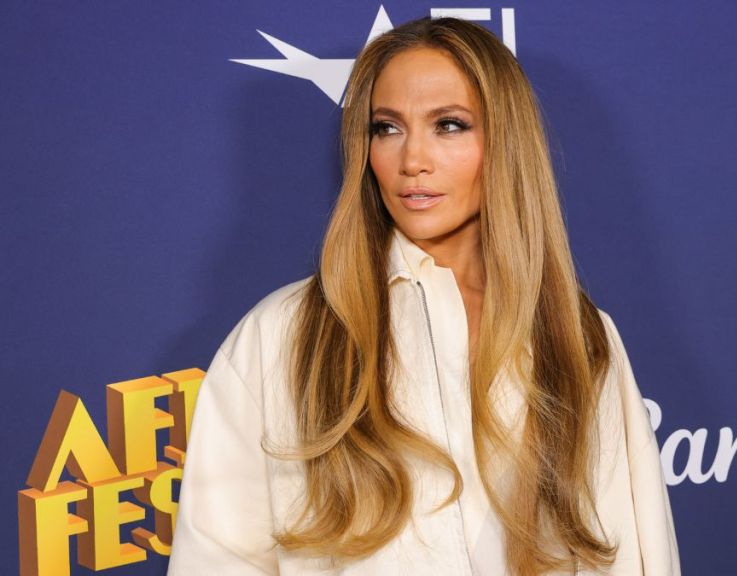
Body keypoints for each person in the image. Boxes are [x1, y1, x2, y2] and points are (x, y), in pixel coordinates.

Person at [168, 16, 680, 576]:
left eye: (450, 125)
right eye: (387, 128)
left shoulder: (576, 332)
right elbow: (219, 559)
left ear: (505, 141)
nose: (412, 160)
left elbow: (630, 550)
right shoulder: (282, 336)